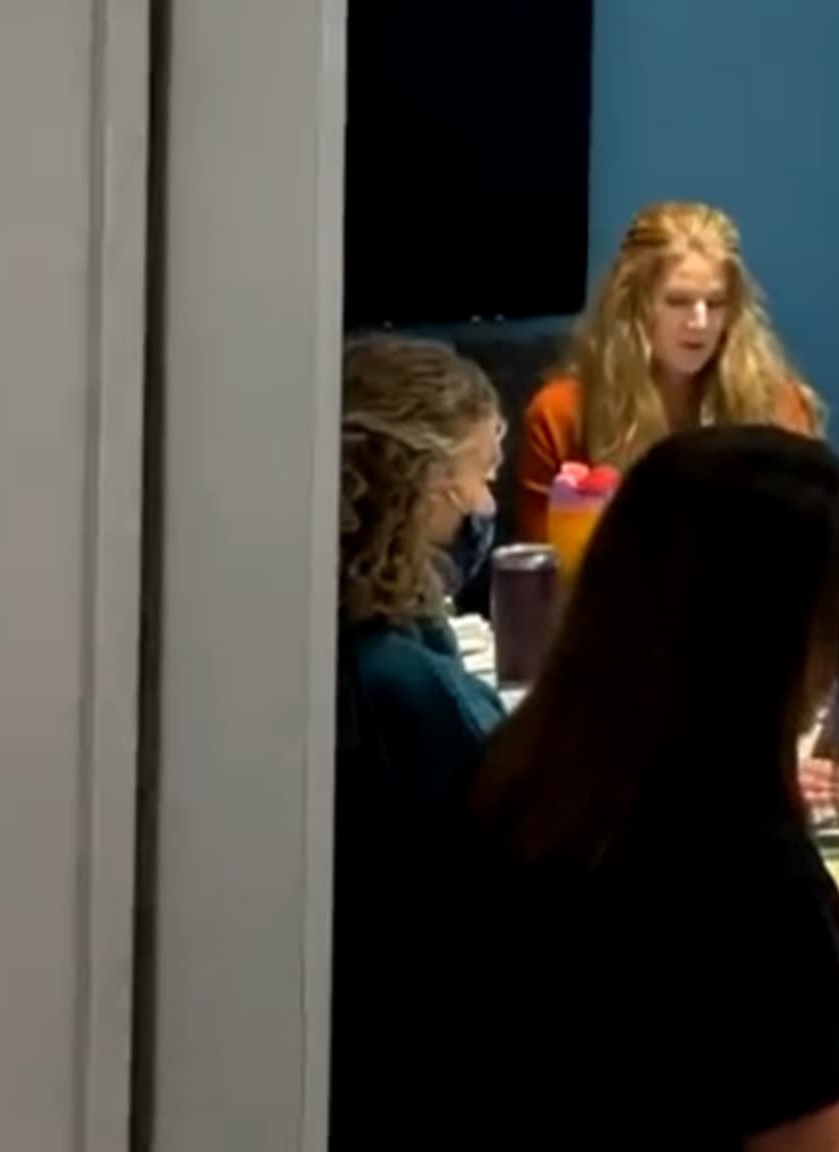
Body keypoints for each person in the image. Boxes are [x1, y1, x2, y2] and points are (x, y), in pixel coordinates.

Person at [393, 427, 839, 1149]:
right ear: (791, 628)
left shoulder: (536, 769)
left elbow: (655, 993)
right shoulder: (748, 865)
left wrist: (827, 946)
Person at [324, 335, 508, 1145]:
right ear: (423, 485)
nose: (485, 503)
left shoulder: (356, 638)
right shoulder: (400, 682)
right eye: (482, 473)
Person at [508, 200, 825, 541]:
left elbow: (809, 544)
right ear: (632, 306)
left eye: (715, 303)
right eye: (678, 301)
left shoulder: (778, 406)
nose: (700, 323)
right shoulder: (560, 416)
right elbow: (543, 568)